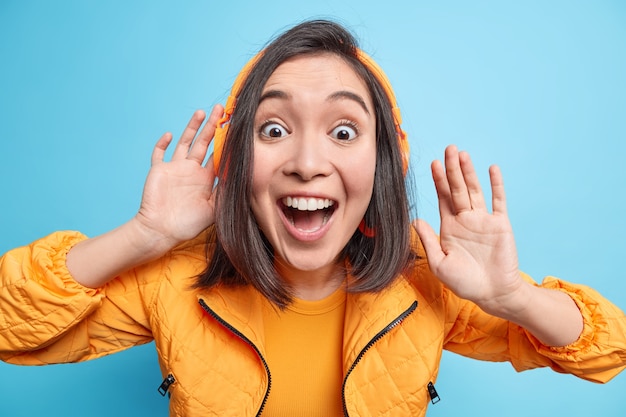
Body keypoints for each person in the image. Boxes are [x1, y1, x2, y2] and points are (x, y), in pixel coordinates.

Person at [1, 19, 625, 417]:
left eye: (344, 130)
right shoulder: (177, 279)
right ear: (236, 159)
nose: (306, 162)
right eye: (274, 129)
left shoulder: (427, 278)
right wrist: (145, 235)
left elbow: (610, 352)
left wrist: (513, 296)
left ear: (382, 164)